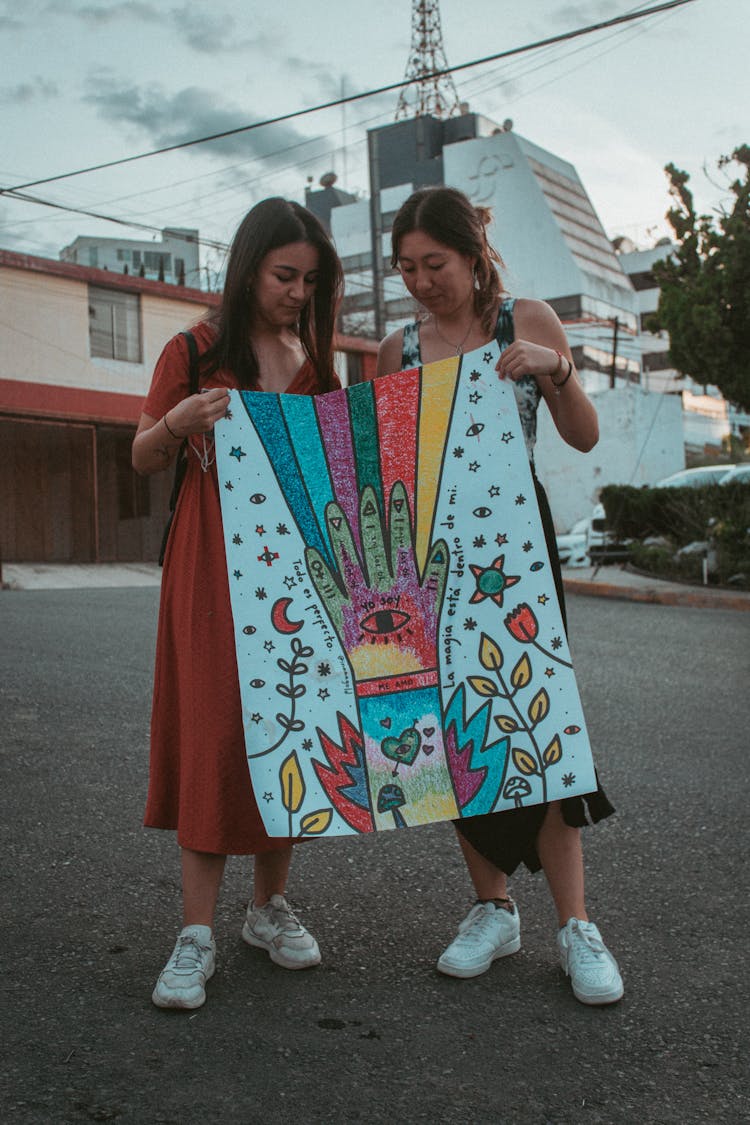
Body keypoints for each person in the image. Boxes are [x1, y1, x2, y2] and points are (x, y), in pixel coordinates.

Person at [377, 186, 623, 1006]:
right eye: (407, 267)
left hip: (517, 550)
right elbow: (385, 467)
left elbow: (584, 435)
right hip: (430, 559)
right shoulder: (397, 347)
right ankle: (493, 908)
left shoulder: (529, 321)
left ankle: (577, 924)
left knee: (538, 718)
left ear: (473, 254)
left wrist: (558, 371)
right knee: (452, 733)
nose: (421, 282)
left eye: (434, 264)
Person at [132, 197, 343, 1010]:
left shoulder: (316, 361)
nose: (296, 292)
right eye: (284, 275)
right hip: (208, 564)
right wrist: (178, 420)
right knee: (214, 725)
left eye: (310, 280)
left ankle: (268, 906)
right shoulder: (192, 349)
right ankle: (195, 934)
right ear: (249, 266)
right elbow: (145, 454)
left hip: (295, 568)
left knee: (289, 721)